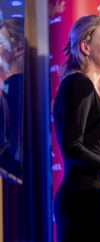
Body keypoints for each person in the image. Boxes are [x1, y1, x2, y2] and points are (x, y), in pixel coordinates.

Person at [53, 15, 100, 242]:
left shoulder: (85, 87)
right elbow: (73, 146)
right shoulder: (77, 83)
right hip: (84, 201)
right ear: (85, 46)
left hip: (97, 198)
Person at [0, 17, 24, 183]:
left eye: (0, 43)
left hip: (20, 182)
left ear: (19, 48)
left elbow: (14, 145)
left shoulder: (15, 88)